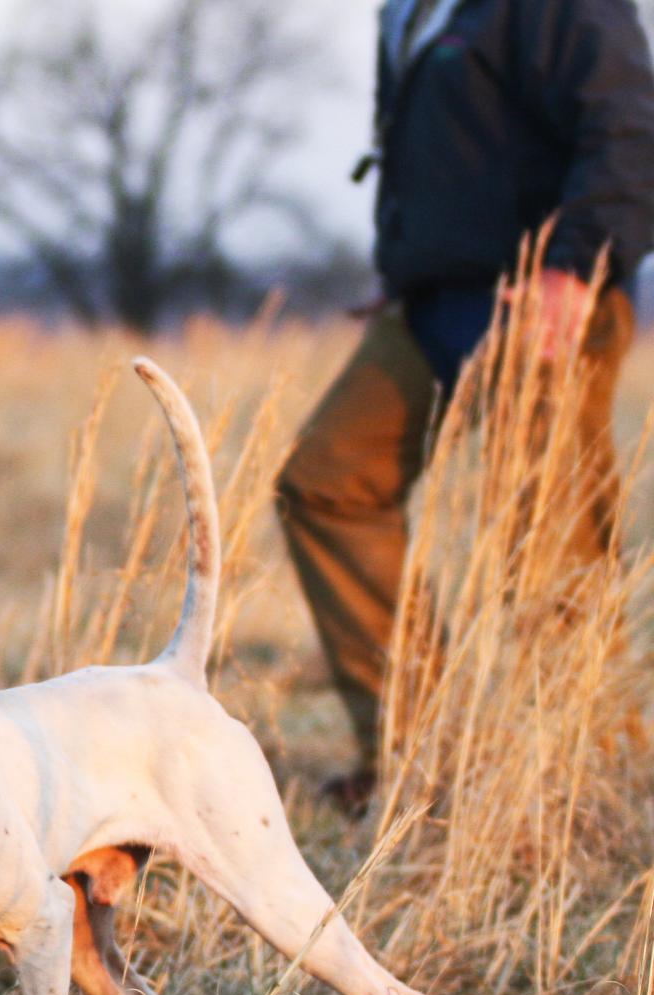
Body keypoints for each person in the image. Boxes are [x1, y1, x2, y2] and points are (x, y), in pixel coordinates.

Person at [275, 0, 654, 813]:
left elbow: (628, 130)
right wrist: (408, 259)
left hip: (540, 299)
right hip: (429, 302)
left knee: (549, 547)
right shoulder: (406, 8)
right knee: (325, 481)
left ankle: (595, 787)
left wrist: (574, 265)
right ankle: (421, 755)